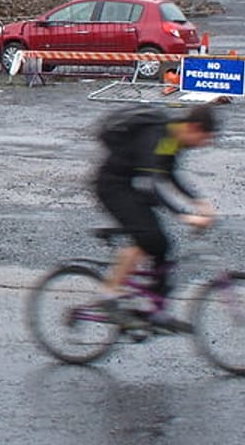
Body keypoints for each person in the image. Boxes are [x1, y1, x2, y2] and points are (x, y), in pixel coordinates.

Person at [92, 103, 218, 331]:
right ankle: (108, 296)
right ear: (195, 128)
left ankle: (156, 310)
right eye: (204, 139)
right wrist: (185, 215)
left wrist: (198, 201)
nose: (203, 145)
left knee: (163, 246)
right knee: (147, 237)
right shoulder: (157, 135)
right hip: (113, 186)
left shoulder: (172, 138)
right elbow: (152, 185)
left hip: (132, 186)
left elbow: (168, 175)